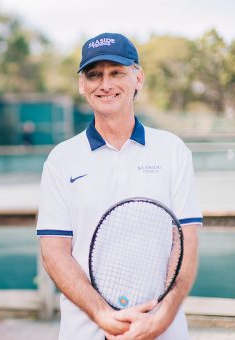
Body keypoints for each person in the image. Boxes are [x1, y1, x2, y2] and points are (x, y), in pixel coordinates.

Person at [37, 33, 202, 340]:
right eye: (94, 75)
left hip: (163, 331)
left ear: (138, 78)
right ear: (81, 85)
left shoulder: (172, 150)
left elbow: (186, 242)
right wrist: (103, 314)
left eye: (117, 72)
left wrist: (160, 318)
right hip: (85, 331)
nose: (105, 84)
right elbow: (54, 252)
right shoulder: (61, 159)